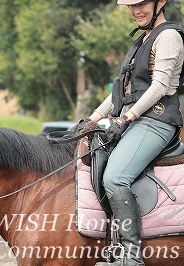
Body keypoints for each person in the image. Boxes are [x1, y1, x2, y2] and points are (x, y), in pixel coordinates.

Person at [76, 1, 184, 265]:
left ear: (161, 2)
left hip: (156, 120)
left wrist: (127, 117)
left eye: (142, 3)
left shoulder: (168, 36)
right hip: (135, 120)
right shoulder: (143, 40)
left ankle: (132, 258)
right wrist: (94, 117)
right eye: (131, 6)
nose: (135, 10)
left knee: (115, 177)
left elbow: (159, 86)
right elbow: (122, 92)